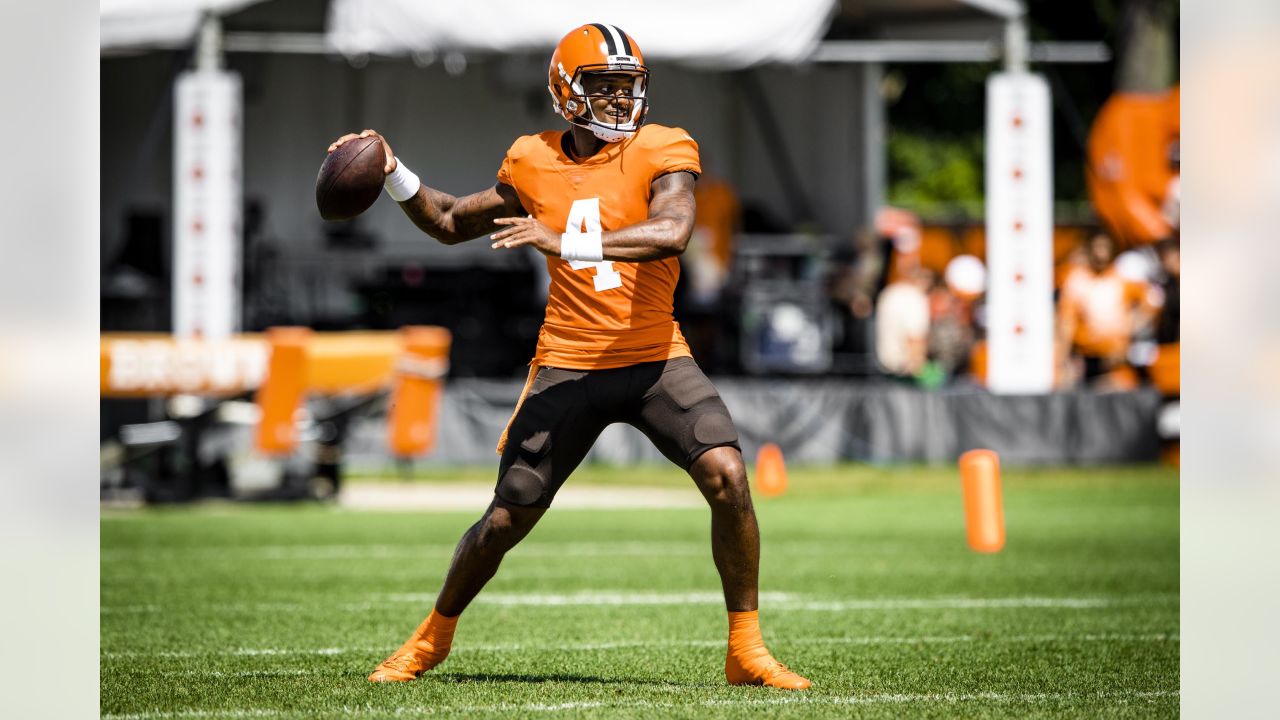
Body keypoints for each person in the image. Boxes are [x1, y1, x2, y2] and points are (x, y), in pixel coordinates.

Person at [326, 23, 810, 691]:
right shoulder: (531, 160)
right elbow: (447, 221)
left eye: (627, 87)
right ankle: (430, 639)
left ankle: (746, 649)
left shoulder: (664, 146)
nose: (619, 102)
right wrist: (392, 173)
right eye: (603, 87)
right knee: (505, 518)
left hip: (654, 356)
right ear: (565, 92)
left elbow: (674, 230)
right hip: (569, 362)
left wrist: (566, 242)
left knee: (727, 474)